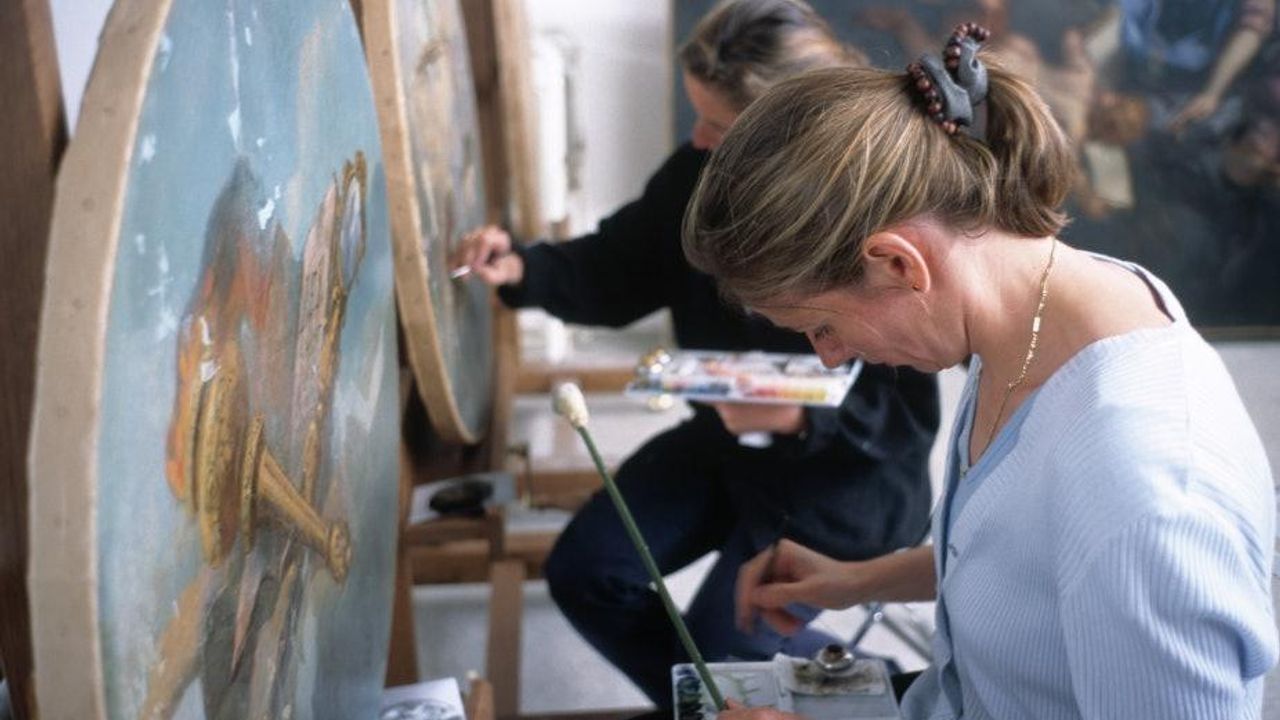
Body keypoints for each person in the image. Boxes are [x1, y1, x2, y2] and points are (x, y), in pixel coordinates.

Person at [683, 23, 1277, 719]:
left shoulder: (1143, 485)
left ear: (900, 264)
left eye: (822, 325)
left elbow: (1106, 541)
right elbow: (1033, 564)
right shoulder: (1041, 314)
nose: (829, 357)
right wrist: (855, 580)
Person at [451, 0, 939, 707]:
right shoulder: (697, 171)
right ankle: (716, 701)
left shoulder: (881, 213)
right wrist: (523, 269)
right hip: (726, 448)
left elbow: (904, 421)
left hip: (847, 484)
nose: (699, 141)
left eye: (717, 124)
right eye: (696, 117)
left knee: (724, 648)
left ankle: (749, 694)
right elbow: (618, 267)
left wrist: (798, 420)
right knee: (586, 573)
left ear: (781, 131)